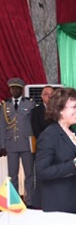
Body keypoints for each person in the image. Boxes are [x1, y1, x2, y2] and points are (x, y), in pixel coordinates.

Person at [35, 87, 76, 214]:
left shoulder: (72, 133)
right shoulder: (49, 135)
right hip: (60, 203)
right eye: (74, 107)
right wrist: (73, 164)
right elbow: (42, 171)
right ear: (60, 109)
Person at [0, 78, 35, 207]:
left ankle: (30, 201)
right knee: (12, 175)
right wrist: (2, 145)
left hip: (26, 144)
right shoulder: (5, 105)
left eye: (17, 88)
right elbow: (2, 125)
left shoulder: (29, 104)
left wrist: (34, 143)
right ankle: (13, 202)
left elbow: (33, 124)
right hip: (11, 145)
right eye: (12, 88)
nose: (14, 91)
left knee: (29, 174)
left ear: (21, 90)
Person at [31, 85, 55, 209]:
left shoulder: (59, 110)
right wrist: (48, 142)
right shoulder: (35, 111)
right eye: (46, 94)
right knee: (42, 175)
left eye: (51, 94)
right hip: (43, 148)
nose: (49, 97)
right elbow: (36, 130)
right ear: (41, 96)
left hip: (57, 149)